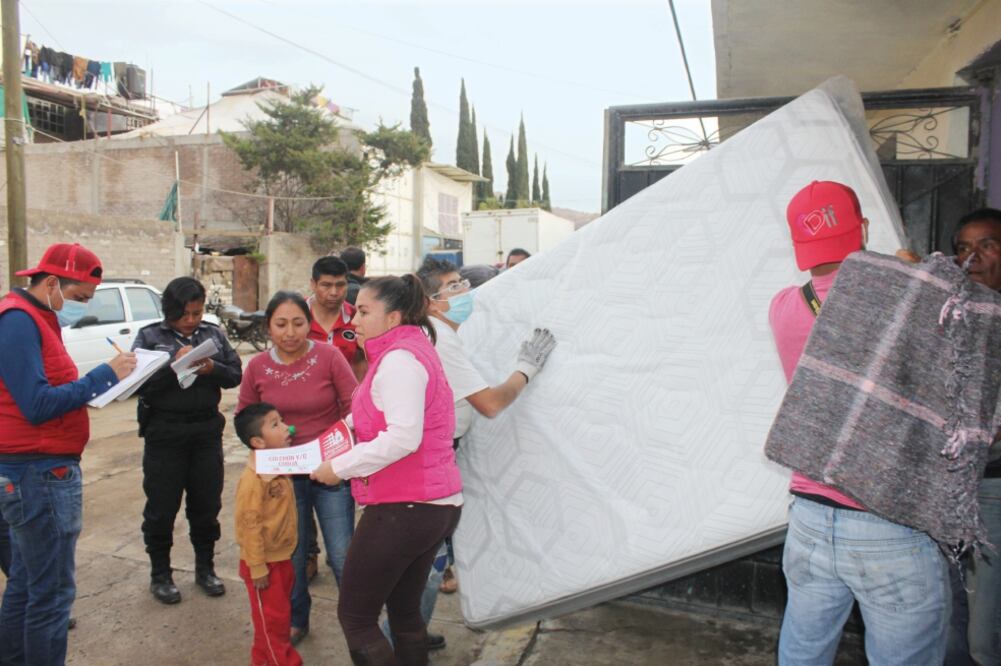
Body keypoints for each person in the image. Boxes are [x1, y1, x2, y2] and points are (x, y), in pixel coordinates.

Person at [770, 181, 950, 665]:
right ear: (864, 227)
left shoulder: (783, 306)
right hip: (887, 520)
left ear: (798, 246)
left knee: (802, 654)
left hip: (809, 516)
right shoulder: (911, 295)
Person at [310, 274, 461, 665]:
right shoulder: (404, 352)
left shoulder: (399, 361)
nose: (354, 321)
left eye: (363, 311)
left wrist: (340, 467)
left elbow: (403, 437)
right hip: (428, 503)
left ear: (392, 318)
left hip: (406, 506)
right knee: (405, 611)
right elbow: (379, 417)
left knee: (356, 617)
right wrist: (339, 436)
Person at [0, 243, 136, 666]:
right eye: (79, 298)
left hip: (37, 471)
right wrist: (102, 377)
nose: (78, 307)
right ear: (53, 283)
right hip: (37, 474)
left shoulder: (37, 316)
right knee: (51, 595)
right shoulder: (18, 321)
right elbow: (36, 404)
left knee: (26, 583)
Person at [410, 256, 557, 649]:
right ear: (430, 302)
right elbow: (489, 404)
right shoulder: (439, 340)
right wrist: (525, 370)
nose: (465, 292)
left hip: (436, 453)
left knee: (430, 555)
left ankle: (412, 635)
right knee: (427, 559)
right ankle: (401, 644)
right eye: (454, 287)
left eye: (463, 283)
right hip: (428, 462)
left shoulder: (439, 332)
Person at [238, 290, 357, 646]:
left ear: (309, 324)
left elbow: (355, 405)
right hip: (283, 478)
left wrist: (339, 443)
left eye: (298, 323)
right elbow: (245, 418)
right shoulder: (257, 367)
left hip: (329, 470)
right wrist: (267, 442)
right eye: (281, 324)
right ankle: (297, 618)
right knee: (291, 551)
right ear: (268, 327)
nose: (290, 332)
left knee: (341, 552)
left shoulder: (330, 355)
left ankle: (357, 623)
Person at [132, 277, 242, 605]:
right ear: (170, 310)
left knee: (206, 505)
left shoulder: (212, 334)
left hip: (206, 431)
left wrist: (211, 368)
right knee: (162, 507)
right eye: (185, 314)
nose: (191, 320)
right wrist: (172, 364)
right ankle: (160, 574)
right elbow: (139, 384)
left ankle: (205, 569)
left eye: (196, 313)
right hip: (164, 433)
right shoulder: (150, 336)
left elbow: (235, 373)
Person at [945, 207, 1001, 666]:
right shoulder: (954, 315)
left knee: (986, 633)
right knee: (949, 623)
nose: (973, 257)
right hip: (950, 489)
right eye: (964, 247)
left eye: (987, 245)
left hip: (993, 490)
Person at [233, 402, 302, 666]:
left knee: (276, 621)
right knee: (273, 627)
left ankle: (261, 660)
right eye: (275, 424)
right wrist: (258, 566)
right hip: (263, 566)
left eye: (282, 420)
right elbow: (249, 525)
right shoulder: (253, 480)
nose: (287, 427)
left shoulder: (278, 467)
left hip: (281, 559)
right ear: (258, 442)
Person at [308, 256, 365, 380]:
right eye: (326, 285)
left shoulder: (357, 318)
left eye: (340, 285)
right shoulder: (296, 315)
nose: (334, 292)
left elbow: (362, 362)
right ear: (313, 284)